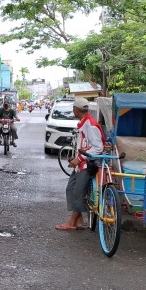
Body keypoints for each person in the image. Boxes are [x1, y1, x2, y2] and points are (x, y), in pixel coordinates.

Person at [56, 97, 105, 231]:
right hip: (81, 162)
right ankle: (79, 220)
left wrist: (80, 158)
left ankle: (72, 222)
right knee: (70, 189)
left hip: (89, 163)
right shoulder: (84, 122)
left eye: (73, 109)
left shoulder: (91, 124)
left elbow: (98, 147)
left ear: (76, 110)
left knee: (78, 192)